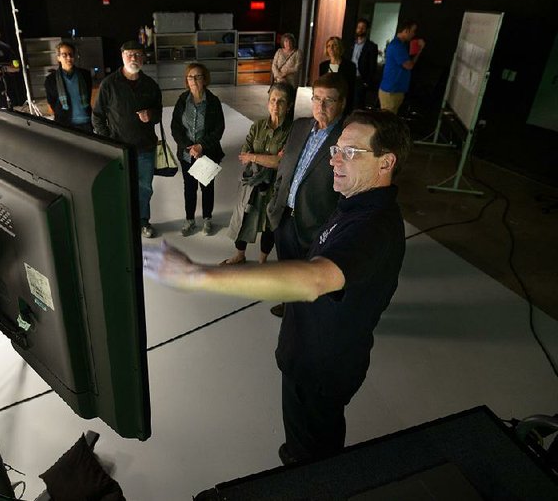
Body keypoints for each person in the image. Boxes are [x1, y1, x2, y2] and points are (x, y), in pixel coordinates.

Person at [143, 109, 412, 466]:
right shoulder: (352, 204)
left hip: (321, 369)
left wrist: (198, 276)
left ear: (386, 162)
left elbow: (315, 279)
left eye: (349, 153)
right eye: (336, 150)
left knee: (312, 457)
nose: (334, 161)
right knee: (308, 444)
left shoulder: (373, 228)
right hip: (307, 353)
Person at [265, 73, 348, 318]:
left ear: (341, 103)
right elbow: (284, 167)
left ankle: (310, 315)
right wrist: (275, 202)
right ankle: (290, 305)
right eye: (316, 99)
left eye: (329, 101)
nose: (320, 106)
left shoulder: (345, 138)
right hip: (284, 215)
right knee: (287, 266)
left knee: (313, 275)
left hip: (316, 221)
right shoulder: (300, 125)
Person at [92, 40, 162, 238]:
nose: (134, 58)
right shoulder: (109, 84)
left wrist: (151, 115)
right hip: (118, 149)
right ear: (122, 57)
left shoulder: (150, 85)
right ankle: (124, 223)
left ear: (144, 58)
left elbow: (158, 113)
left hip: (145, 148)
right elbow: (97, 116)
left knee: (145, 188)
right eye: (129, 54)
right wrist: (108, 141)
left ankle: (142, 222)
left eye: (138, 54)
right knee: (119, 188)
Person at [222, 83, 293, 265]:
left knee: (269, 225)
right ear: (268, 102)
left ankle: (262, 260)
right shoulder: (257, 126)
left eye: (281, 101)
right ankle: (240, 254)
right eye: (272, 100)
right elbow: (243, 155)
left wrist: (254, 156)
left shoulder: (292, 132)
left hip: (275, 188)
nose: (275, 106)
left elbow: (280, 163)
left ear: (289, 105)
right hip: (252, 183)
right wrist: (263, 159)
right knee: (244, 217)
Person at [170, 63, 225, 237]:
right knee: (190, 187)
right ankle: (190, 220)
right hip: (187, 154)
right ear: (187, 80)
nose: (193, 80)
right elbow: (175, 127)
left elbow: (219, 128)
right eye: (190, 77)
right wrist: (189, 146)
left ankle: (208, 219)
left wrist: (201, 146)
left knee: (207, 187)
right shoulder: (182, 100)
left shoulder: (213, 101)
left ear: (205, 79)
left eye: (198, 76)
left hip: (206, 153)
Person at [378, 20, 426, 114]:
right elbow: (409, 65)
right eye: (413, 31)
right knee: (388, 121)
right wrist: (420, 50)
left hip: (394, 89)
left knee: (390, 119)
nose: (414, 34)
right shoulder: (397, 46)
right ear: (406, 30)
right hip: (392, 91)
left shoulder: (400, 45)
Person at [44, 41, 93, 132]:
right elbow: (52, 102)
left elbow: (89, 96)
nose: (69, 57)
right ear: (58, 58)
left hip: (86, 121)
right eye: (64, 55)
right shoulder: (51, 80)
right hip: (65, 124)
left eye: (71, 54)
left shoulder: (85, 75)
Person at [319, 37, 357, 116]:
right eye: (328, 46)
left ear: (339, 47)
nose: (331, 48)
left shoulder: (350, 66)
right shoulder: (323, 66)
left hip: (341, 102)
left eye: (334, 45)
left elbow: (351, 88)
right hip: (326, 101)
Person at [348, 18, 380, 110]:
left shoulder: (371, 46)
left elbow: (372, 66)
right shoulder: (351, 43)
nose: (360, 29)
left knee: (358, 104)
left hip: (360, 78)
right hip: (349, 77)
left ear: (366, 29)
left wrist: (367, 82)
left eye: (363, 27)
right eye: (359, 27)